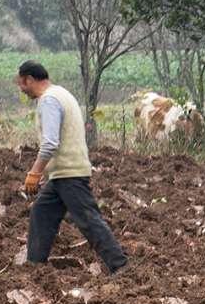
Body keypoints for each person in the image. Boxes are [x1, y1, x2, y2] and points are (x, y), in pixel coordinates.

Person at [14, 61, 128, 277]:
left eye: (22, 83)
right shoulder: (61, 93)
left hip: (69, 172)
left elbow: (50, 143)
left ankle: (120, 265)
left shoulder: (48, 100)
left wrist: (35, 172)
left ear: (29, 79)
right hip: (62, 174)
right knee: (41, 212)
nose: (22, 88)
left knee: (87, 219)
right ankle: (35, 267)